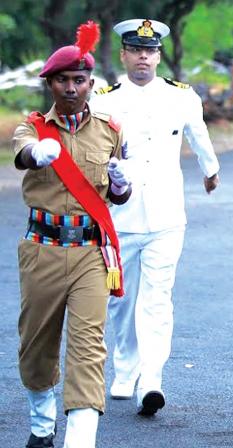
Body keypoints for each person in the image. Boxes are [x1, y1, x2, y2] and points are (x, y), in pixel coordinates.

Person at [90, 18, 220, 417]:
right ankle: (125, 369)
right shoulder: (104, 99)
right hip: (119, 216)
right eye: (136, 50)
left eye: (150, 51)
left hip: (166, 215)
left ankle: (152, 378)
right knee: (121, 299)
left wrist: (210, 169)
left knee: (157, 298)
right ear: (124, 55)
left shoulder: (181, 97)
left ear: (158, 56)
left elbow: (198, 135)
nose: (143, 57)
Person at [13, 21, 131, 448]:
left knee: (88, 345)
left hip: (90, 253)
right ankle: (42, 426)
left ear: (90, 83)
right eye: (61, 80)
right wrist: (36, 153)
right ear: (50, 84)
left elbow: (117, 196)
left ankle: (80, 439)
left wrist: (121, 184)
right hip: (42, 250)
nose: (70, 88)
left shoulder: (111, 130)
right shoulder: (32, 127)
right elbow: (23, 154)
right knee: (37, 345)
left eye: (78, 80)